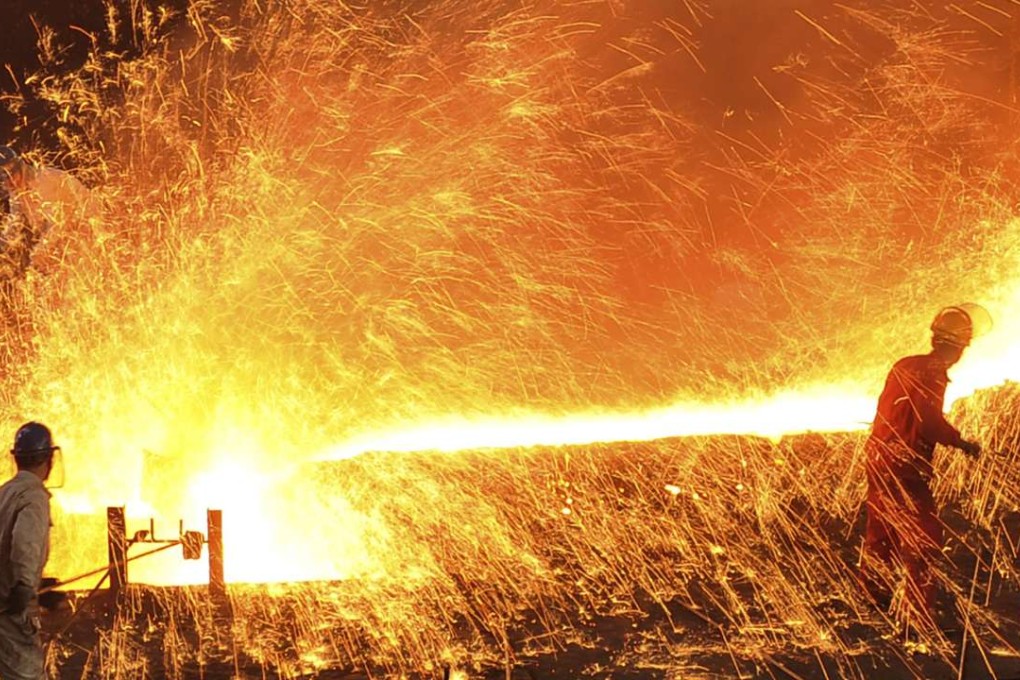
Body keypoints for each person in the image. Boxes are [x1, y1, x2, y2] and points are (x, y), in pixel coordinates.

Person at [859, 304, 989, 634]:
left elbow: (888, 410)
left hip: (878, 456)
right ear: (959, 347)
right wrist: (961, 442)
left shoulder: (906, 365)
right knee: (923, 540)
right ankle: (918, 618)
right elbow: (928, 422)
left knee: (882, 532)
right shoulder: (933, 372)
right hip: (905, 464)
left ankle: (871, 602)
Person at [0, 422, 60, 680]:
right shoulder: (33, 496)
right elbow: (23, 543)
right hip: (9, 614)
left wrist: (37, 585)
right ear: (49, 458)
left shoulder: (5, 492)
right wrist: (25, 585)